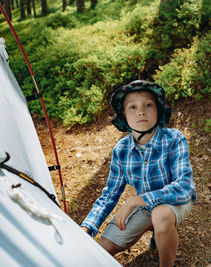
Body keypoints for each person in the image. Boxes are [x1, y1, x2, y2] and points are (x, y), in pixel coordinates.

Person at [81, 80, 197, 267]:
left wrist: (135, 200)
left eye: (148, 105)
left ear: (158, 110)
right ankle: (155, 229)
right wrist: (88, 227)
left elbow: (184, 187)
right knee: (101, 250)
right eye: (132, 107)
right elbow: (109, 195)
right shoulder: (121, 150)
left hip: (175, 202)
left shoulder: (174, 138)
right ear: (124, 116)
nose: (141, 111)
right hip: (145, 208)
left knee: (161, 215)